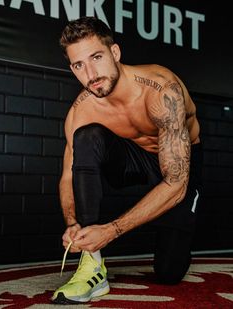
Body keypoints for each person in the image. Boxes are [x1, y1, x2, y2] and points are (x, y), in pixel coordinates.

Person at [52, 16, 202, 304]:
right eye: (78, 65)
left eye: (96, 57)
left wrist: (111, 230)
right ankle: (91, 263)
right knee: (87, 136)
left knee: (170, 272)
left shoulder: (160, 90)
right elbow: (69, 176)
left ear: (115, 53)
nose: (90, 73)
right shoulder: (80, 111)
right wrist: (73, 223)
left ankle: (177, 229)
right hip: (136, 161)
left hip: (180, 168)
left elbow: (176, 182)